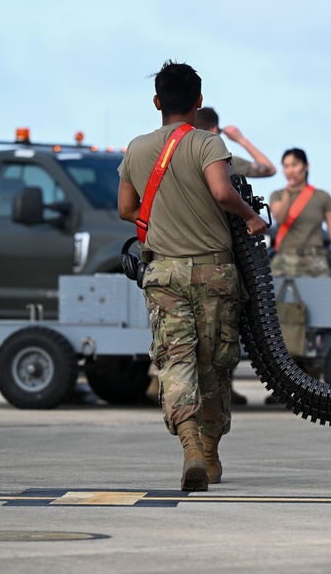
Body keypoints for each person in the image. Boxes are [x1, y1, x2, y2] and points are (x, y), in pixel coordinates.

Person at [118, 60, 268, 492]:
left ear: (156, 102)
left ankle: (190, 450)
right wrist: (251, 217)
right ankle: (211, 453)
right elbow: (222, 192)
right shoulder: (209, 144)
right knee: (215, 364)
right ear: (199, 101)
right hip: (213, 272)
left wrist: (163, 218)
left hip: (163, 272)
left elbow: (127, 209)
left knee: (175, 361)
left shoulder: (137, 149)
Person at [191, 106, 277, 406]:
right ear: (215, 130)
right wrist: (239, 138)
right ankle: (219, 391)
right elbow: (268, 168)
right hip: (221, 258)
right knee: (224, 330)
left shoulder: (175, 158)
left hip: (179, 259)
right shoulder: (222, 160)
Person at [268, 148, 331, 385]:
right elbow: (281, 219)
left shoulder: (321, 197)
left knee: (319, 320)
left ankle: (312, 379)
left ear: (306, 166)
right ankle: (281, 383)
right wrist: (288, 194)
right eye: (286, 166)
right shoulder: (277, 194)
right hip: (284, 262)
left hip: (315, 263)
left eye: (295, 165)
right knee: (281, 321)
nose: (290, 170)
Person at [194, 107, 277, 178]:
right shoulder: (226, 162)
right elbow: (270, 169)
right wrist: (241, 139)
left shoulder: (184, 157)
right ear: (214, 128)